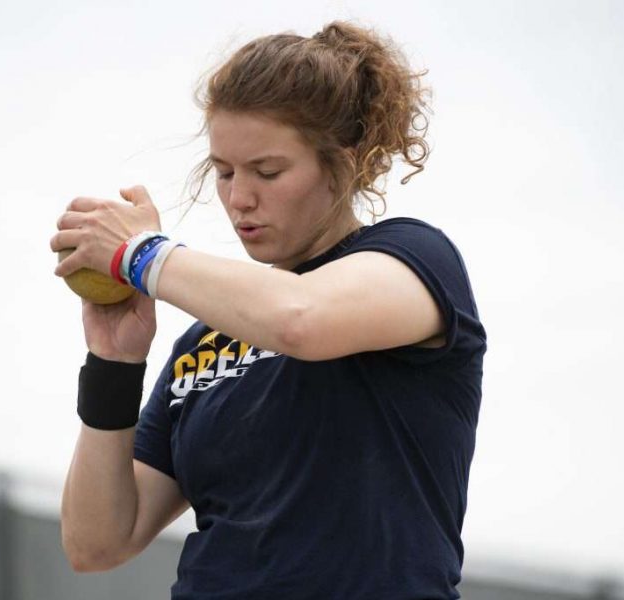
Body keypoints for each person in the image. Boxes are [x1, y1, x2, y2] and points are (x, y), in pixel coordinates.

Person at [52, 21, 487, 600]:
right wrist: (114, 361)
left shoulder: (414, 260)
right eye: (224, 171)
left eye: (267, 171)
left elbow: (300, 321)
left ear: (344, 162)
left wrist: (140, 255)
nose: (239, 198)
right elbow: (97, 542)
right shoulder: (207, 341)